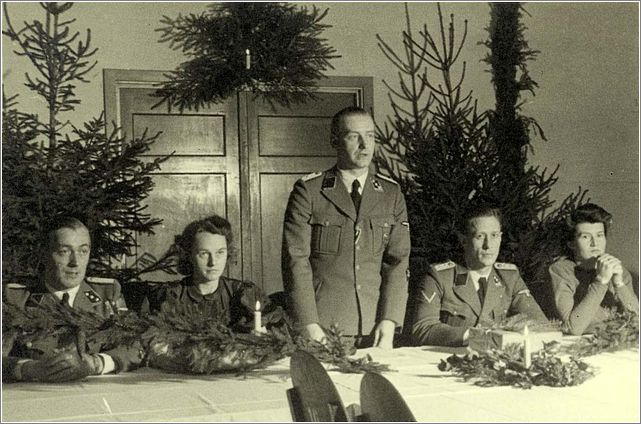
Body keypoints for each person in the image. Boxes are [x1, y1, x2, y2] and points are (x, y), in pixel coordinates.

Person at [282, 106, 411, 349]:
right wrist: (309, 324)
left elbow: (398, 261)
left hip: (376, 328)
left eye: (371, 135)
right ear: (335, 141)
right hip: (324, 328)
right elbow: (295, 261)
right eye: (354, 136)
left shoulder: (391, 193)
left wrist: (390, 319)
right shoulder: (310, 191)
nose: (365, 145)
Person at [3, 217, 143, 382]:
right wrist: (29, 369)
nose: (75, 262)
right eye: (64, 251)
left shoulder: (107, 294)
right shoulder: (15, 299)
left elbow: (134, 348)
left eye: (83, 251)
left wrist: (94, 364)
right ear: (44, 253)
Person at [412, 202, 548, 347]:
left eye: (494, 235)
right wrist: (474, 336)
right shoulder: (441, 277)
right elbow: (423, 328)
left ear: (501, 237)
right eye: (480, 236)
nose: (488, 245)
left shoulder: (509, 277)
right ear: (464, 240)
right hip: (447, 360)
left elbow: (540, 324)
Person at [142, 214, 280, 332]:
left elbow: (279, 330)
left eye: (220, 252)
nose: (213, 262)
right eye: (204, 253)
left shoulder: (243, 294)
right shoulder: (170, 296)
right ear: (189, 255)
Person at [548, 203, 639, 335]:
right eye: (585, 236)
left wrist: (619, 284)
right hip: (578, 347)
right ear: (571, 243)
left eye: (599, 235)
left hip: (616, 344)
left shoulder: (618, 270)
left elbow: (637, 323)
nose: (594, 243)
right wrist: (601, 281)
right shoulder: (561, 270)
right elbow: (574, 328)